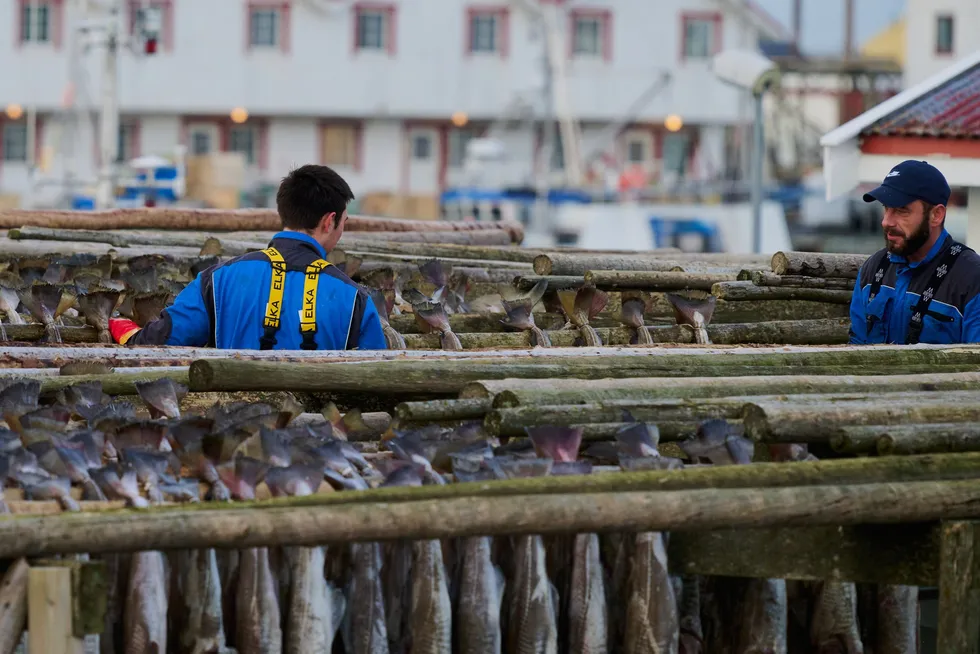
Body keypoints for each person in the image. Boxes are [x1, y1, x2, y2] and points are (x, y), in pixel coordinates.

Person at [109, 164, 387, 350]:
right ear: (329, 221)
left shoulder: (218, 280)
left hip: (237, 432)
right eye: (344, 223)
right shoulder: (355, 299)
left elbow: (158, 342)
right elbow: (376, 379)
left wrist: (122, 327)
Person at [849, 159, 980, 345]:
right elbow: (855, 350)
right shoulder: (872, 270)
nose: (886, 221)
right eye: (886, 208)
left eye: (901, 210)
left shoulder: (972, 278)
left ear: (936, 215)